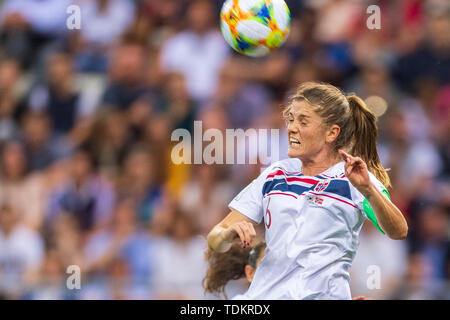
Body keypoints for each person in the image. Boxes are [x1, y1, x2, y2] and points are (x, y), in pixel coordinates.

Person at [207, 81, 408, 300]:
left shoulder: (355, 177)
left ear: (331, 133)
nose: (292, 127)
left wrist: (368, 189)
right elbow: (215, 239)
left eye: (303, 122)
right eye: (291, 119)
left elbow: (398, 231)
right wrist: (227, 234)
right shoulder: (274, 175)